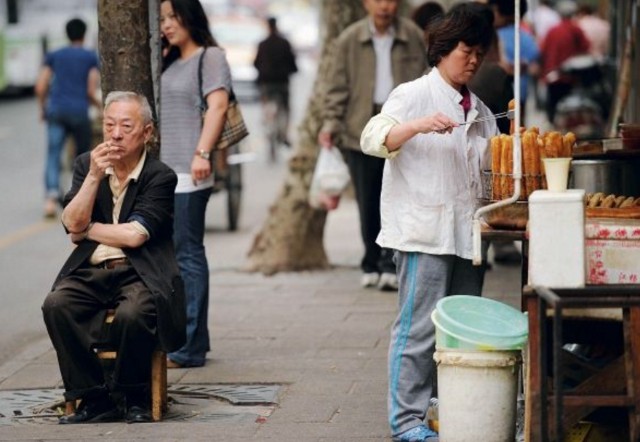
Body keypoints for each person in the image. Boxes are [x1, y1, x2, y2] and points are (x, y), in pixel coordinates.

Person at [360, 5, 496, 441]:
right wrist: (416, 126)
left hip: (468, 235)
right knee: (418, 330)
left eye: (479, 52)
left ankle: (443, 411)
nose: (473, 60)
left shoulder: (483, 111)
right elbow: (372, 138)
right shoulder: (412, 94)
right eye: (465, 50)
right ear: (442, 50)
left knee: (457, 334)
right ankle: (406, 421)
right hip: (423, 233)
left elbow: (492, 174)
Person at [41, 91, 186, 424]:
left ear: (147, 132)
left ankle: (134, 394)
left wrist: (86, 230)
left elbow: (135, 235)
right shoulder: (86, 165)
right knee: (57, 305)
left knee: (134, 313)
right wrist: (94, 176)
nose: (115, 134)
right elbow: (69, 222)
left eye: (126, 125)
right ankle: (93, 397)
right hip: (93, 271)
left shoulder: (159, 176)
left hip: (141, 272)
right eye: (109, 125)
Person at [318, 0, 428, 292]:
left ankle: (390, 263)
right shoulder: (349, 39)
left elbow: (427, 79)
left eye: (390, 0)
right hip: (360, 131)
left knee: (399, 197)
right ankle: (370, 260)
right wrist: (330, 124)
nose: (384, 6)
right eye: (377, 0)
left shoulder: (413, 36)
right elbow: (336, 87)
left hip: (402, 127)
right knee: (368, 201)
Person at [160, 0, 231, 368]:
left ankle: (189, 346)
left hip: (191, 172)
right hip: (164, 173)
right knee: (172, 257)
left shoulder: (210, 57)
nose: (167, 24)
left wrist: (202, 153)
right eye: (162, 19)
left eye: (173, 17)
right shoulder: (169, 60)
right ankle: (191, 340)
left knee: (188, 255)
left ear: (190, 16)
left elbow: (217, 107)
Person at [35, 17, 100, 218]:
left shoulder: (54, 55)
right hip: (79, 112)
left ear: (67, 34)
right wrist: (100, 106)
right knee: (82, 157)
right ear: (83, 34)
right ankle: (79, 198)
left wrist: (43, 108)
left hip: (57, 111)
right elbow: (91, 89)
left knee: (53, 154)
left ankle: (51, 198)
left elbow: (41, 86)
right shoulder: (90, 57)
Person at [488, 0, 540, 123]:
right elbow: (534, 59)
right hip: (520, 92)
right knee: (518, 126)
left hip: (500, 92)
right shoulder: (524, 35)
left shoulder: (495, 35)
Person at [540, 0, 590, 124]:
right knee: (569, 105)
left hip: (552, 73)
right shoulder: (575, 29)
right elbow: (586, 46)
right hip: (569, 74)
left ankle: (553, 127)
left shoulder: (552, 30)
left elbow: (542, 50)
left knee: (553, 103)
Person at [253, 16, 298, 147]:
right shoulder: (284, 43)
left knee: (266, 105)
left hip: (266, 83)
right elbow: (292, 63)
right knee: (286, 109)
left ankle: (267, 122)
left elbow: (256, 63)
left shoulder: (262, 44)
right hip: (282, 82)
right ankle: (284, 134)